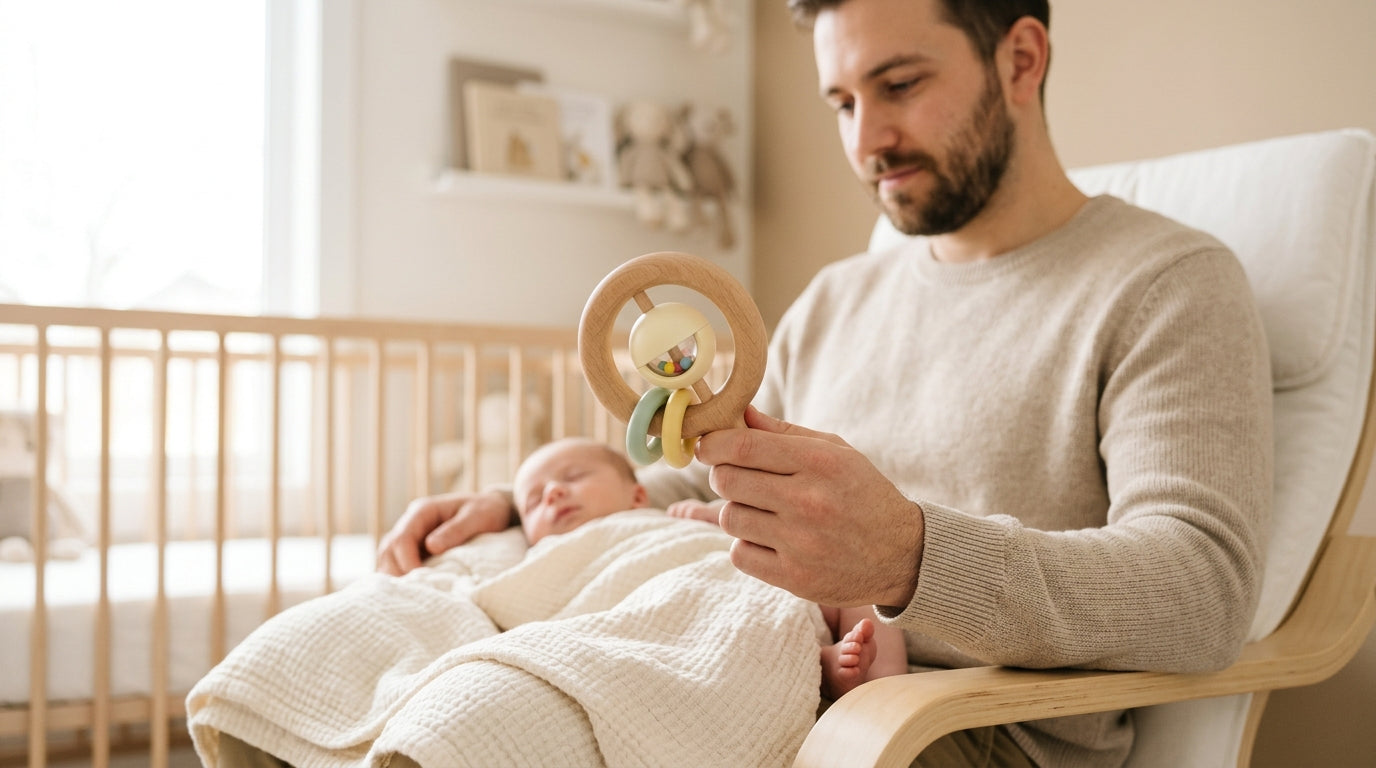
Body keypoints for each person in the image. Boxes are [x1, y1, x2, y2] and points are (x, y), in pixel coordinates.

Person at [377, 0, 1273, 765]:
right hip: (753, 671)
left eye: (900, 84)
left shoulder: (1165, 284)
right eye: (843, 102)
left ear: (1021, 60)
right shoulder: (838, 299)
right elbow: (706, 486)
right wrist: (531, 505)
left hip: (958, 730)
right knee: (415, 674)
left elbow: (1202, 587)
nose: (866, 139)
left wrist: (909, 556)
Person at [514, 436, 908, 699]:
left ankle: (883, 689)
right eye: (533, 501)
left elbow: (748, 521)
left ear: (637, 496)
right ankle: (817, 663)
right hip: (669, 625)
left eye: (574, 477)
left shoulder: (670, 517)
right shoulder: (547, 560)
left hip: (757, 592)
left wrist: (711, 515)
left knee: (861, 574)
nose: (553, 492)